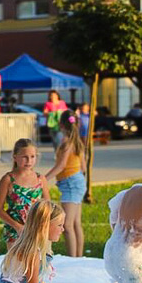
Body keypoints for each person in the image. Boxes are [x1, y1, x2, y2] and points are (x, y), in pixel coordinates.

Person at [0, 138, 50, 250]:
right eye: (24, 157)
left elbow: (47, 205)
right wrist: (17, 226)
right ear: (15, 157)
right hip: (15, 231)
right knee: (16, 264)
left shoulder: (40, 179)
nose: (29, 161)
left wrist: (44, 224)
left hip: (37, 229)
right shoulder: (8, 179)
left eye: (32, 157)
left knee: (38, 264)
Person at [45, 110, 86, 257]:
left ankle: (73, 259)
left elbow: (61, 166)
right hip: (77, 180)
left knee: (67, 225)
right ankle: (78, 257)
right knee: (75, 223)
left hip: (71, 183)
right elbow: (83, 167)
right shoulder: (77, 143)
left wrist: (44, 178)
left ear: (61, 125)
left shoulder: (67, 144)